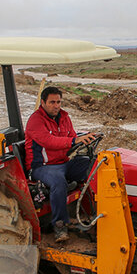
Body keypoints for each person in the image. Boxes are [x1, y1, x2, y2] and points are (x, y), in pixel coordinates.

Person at [24, 86, 96, 242]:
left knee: (94, 164)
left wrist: (86, 138)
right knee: (58, 181)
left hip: (64, 163)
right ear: (42, 102)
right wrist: (73, 141)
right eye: (52, 102)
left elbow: (73, 137)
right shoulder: (35, 121)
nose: (56, 105)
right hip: (41, 167)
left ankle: (96, 211)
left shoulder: (64, 117)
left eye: (58, 102)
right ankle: (60, 225)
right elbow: (48, 141)